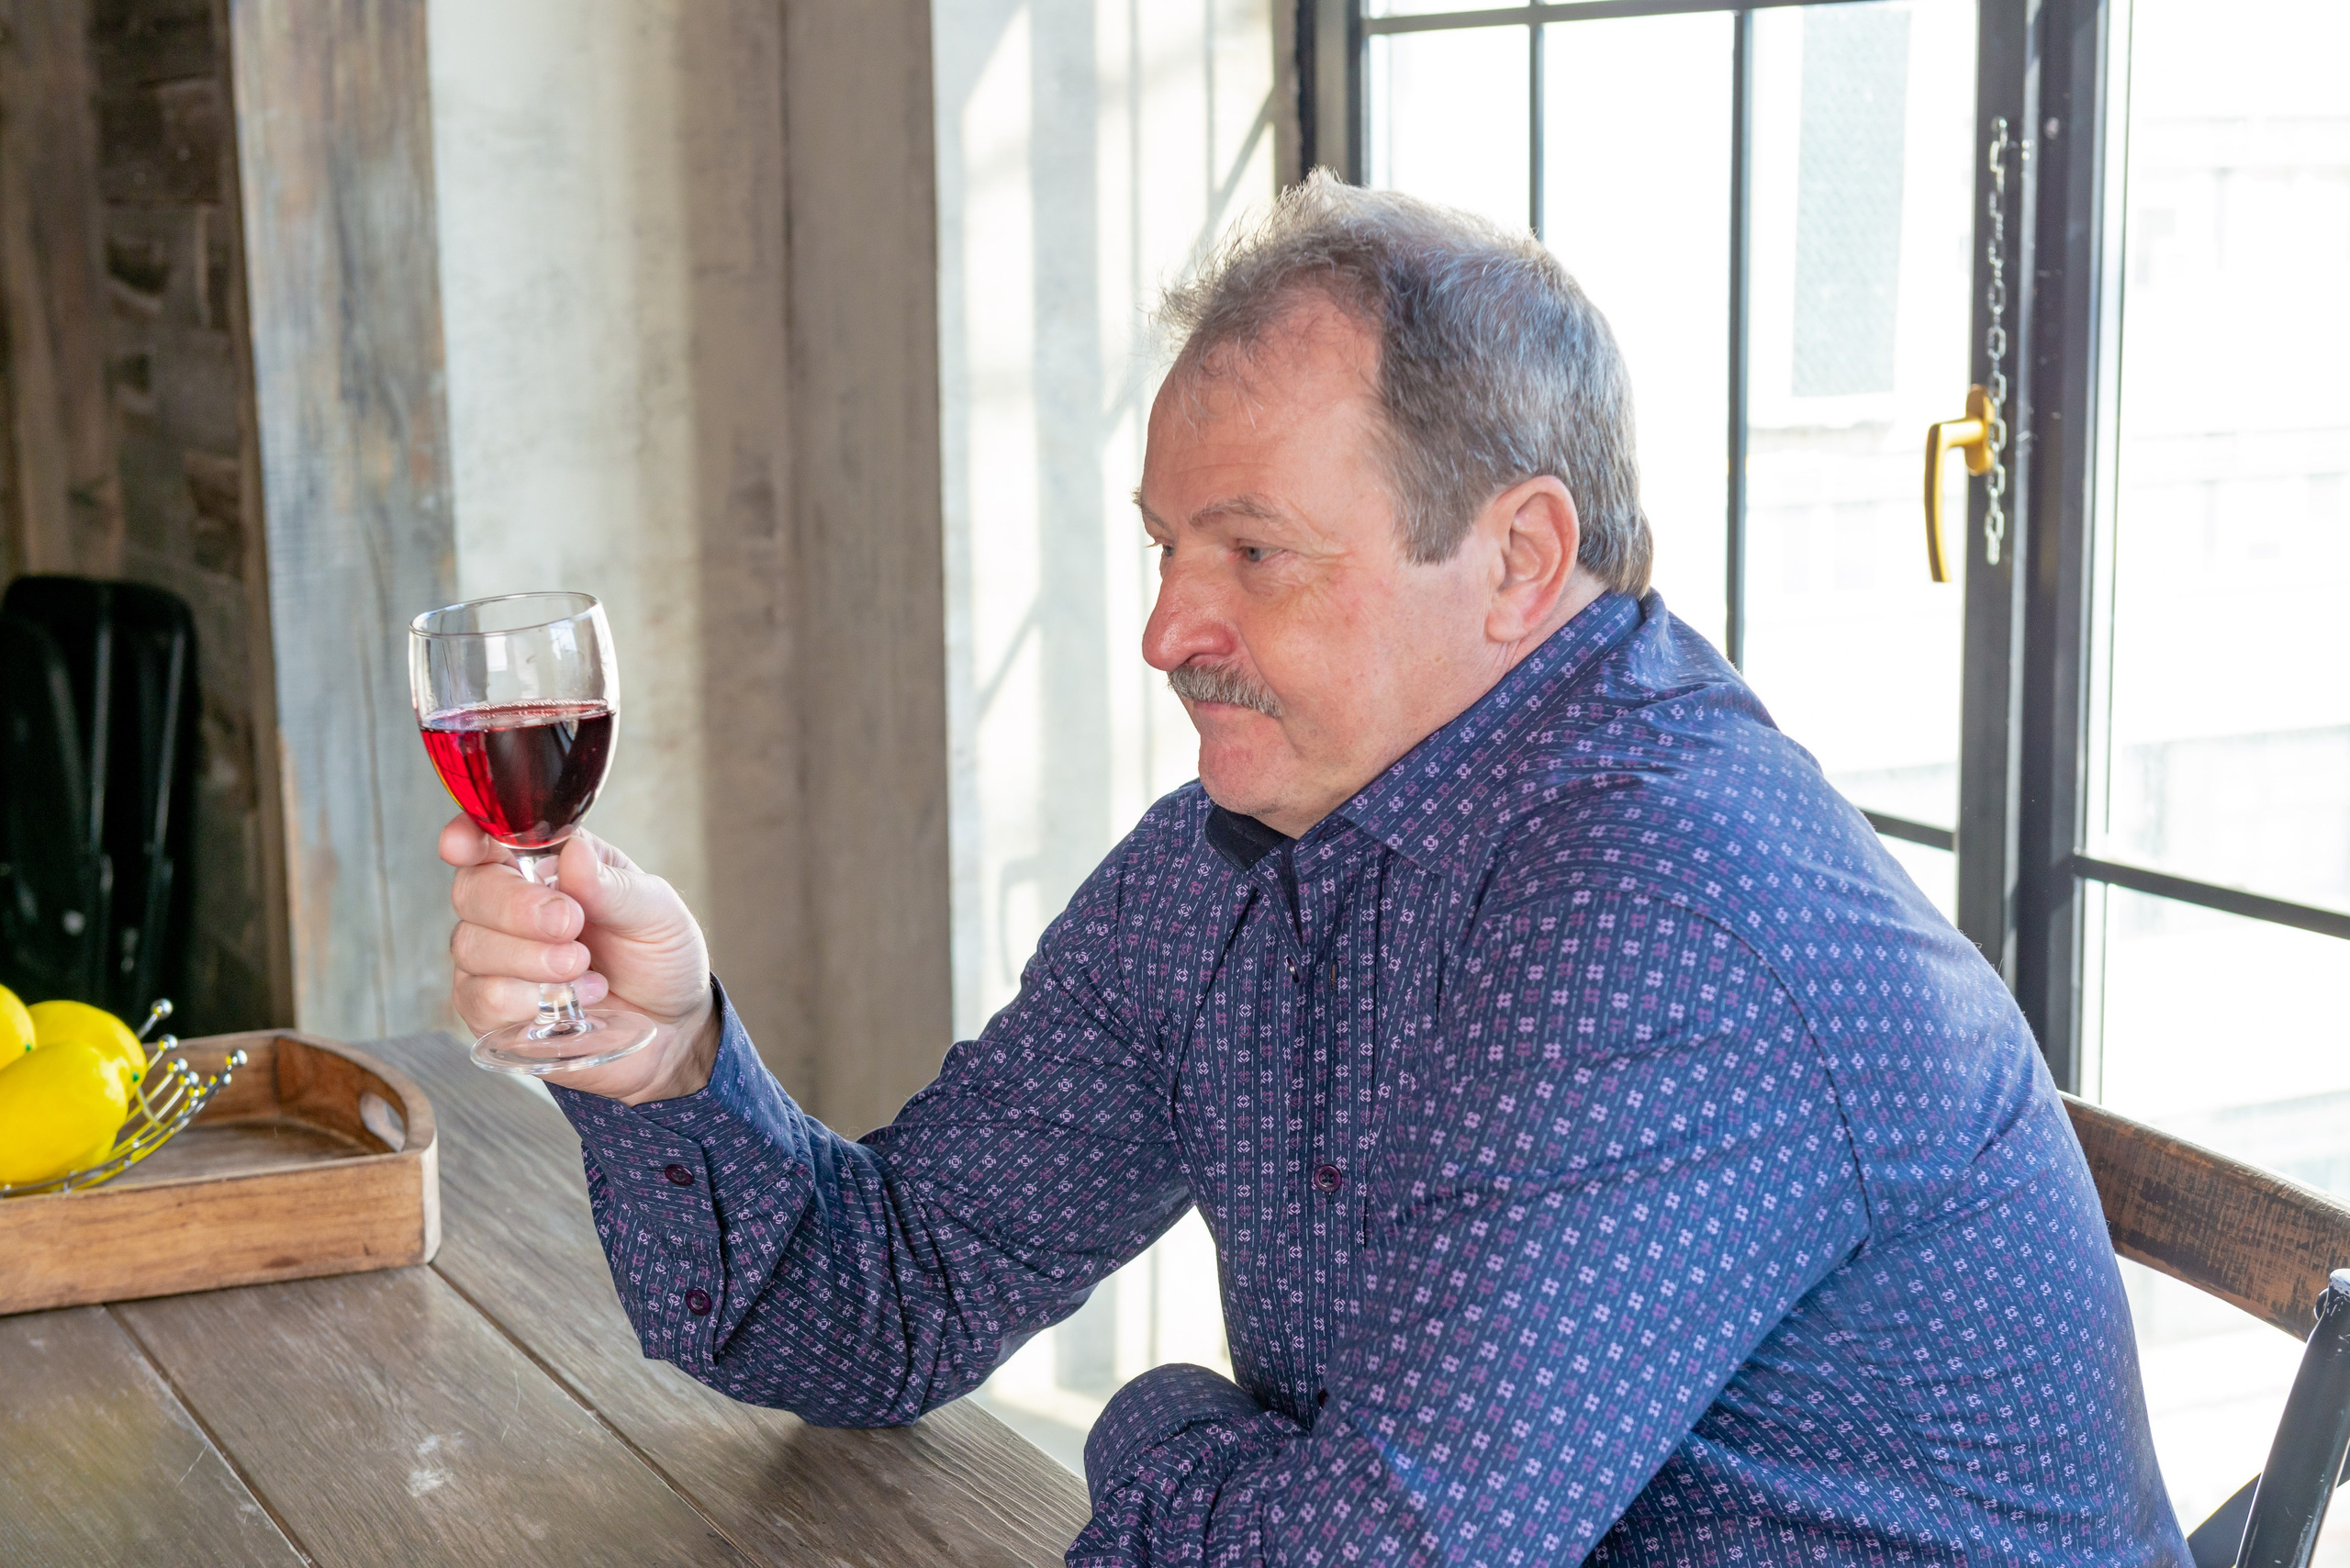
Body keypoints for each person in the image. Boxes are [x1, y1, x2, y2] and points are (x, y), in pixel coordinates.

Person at [441, 173, 2188, 1564]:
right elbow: (881, 1305)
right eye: (1164, 546)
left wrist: (1153, 1429)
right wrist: (658, 1057)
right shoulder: (1240, 855)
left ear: (1518, 558)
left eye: (1255, 551)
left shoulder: (1669, 907)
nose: (1162, 627)